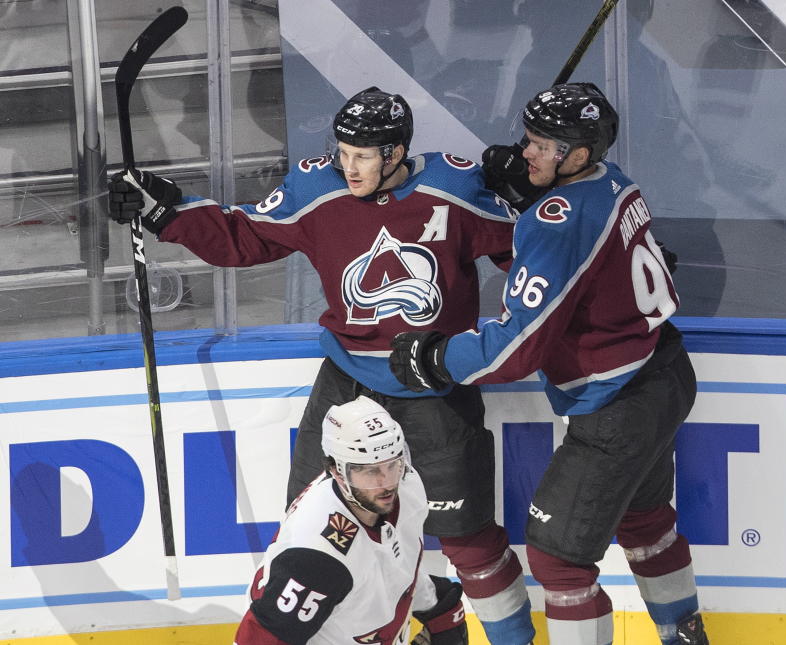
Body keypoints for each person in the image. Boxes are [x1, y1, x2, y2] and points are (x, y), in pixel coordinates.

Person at [107, 87, 536, 644]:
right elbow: (245, 237)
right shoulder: (317, 187)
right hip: (348, 382)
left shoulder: (453, 188)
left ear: (397, 152)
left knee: (466, 535)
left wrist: (535, 200)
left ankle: (513, 639)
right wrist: (166, 211)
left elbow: (531, 252)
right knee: (311, 529)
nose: (347, 166)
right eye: (342, 151)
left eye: (362, 155)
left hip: (435, 384)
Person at [390, 82, 709, 645]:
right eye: (529, 138)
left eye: (541, 144)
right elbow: (606, 260)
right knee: (645, 521)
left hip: (616, 405)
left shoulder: (556, 220)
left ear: (578, 156)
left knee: (558, 559)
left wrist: (439, 355)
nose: (525, 151)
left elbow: (520, 345)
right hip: (665, 372)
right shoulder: (618, 184)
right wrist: (529, 194)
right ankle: (686, 636)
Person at [233, 395, 467, 644]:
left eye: (393, 464)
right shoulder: (317, 556)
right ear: (336, 471)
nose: (386, 483)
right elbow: (260, 638)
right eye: (369, 471)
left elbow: (391, 565)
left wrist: (436, 607)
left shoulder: (407, 485)